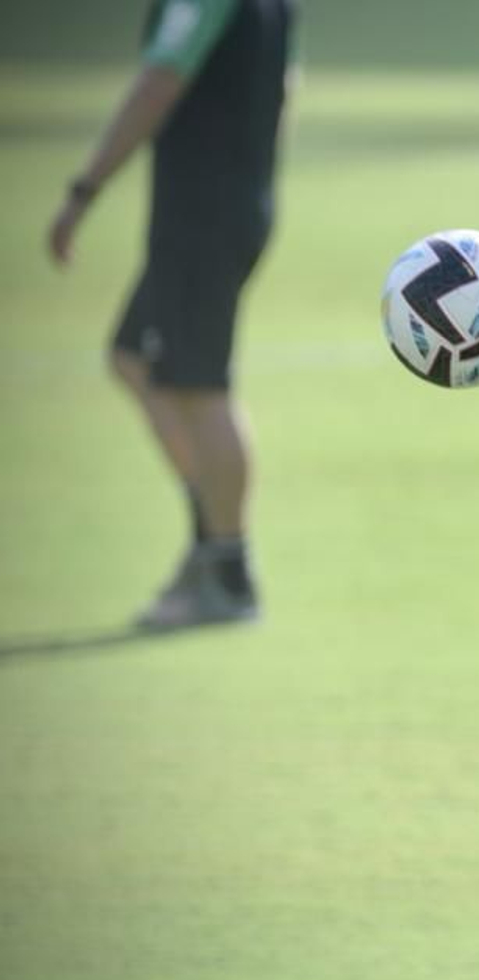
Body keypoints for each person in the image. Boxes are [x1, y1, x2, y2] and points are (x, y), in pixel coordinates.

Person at [47, 0, 296, 629]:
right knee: (133, 358)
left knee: (198, 385)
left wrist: (85, 188)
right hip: (229, 203)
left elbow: (161, 78)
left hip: (203, 214)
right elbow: (286, 86)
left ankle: (228, 572)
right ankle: (212, 537)